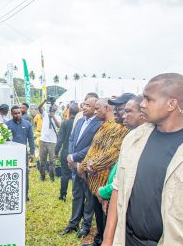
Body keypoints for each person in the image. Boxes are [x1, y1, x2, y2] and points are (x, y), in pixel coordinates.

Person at [102, 73, 183, 246]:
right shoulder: (134, 139)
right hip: (128, 239)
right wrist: (107, 240)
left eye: (149, 99)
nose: (143, 105)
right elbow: (118, 189)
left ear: (171, 104)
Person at [77, 99, 129, 246]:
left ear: (106, 108)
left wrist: (94, 165)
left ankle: (103, 241)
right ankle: (98, 240)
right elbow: (94, 149)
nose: (94, 111)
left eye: (97, 108)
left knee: (106, 217)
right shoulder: (103, 126)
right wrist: (83, 167)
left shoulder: (119, 128)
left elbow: (114, 152)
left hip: (105, 180)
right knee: (99, 215)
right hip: (94, 180)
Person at [60, 97, 102, 238]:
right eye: (84, 105)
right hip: (74, 165)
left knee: (88, 198)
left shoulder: (99, 124)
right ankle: (73, 224)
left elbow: (93, 147)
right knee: (77, 195)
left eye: (88, 106)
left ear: (96, 108)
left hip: (88, 168)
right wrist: (71, 156)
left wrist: (76, 157)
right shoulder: (79, 121)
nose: (84, 107)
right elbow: (72, 139)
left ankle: (86, 226)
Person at [97, 95, 145, 211]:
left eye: (125, 110)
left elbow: (127, 175)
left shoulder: (139, 138)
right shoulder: (132, 135)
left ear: (142, 113)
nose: (121, 114)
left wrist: (105, 191)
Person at [6, 105, 35, 202]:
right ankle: (11, 195)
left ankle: (25, 196)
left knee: (25, 174)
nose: (18, 115)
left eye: (19, 113)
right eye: (15, 113)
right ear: (11, 114)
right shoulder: (7, 125)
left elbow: (31, 138)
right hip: (10, 154)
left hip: (23, 154)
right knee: (11, 174)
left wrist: (32, 152)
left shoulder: (27, 124)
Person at [55, 104, 79, 202]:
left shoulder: (65, 123)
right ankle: (76, 196)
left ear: (69, 112)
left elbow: (60, 139)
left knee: (65, 174)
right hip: (77, 152)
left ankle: (63, 195)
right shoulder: (80, 123)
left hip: (65, 151)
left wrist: (56, 152)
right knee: (76, 175)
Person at [37, 99, 61, 181]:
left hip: (52, 142)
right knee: (42, 160)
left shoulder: (58, 117)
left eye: (55, 107)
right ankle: (42, 175)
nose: (53, 108)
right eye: (52, 107)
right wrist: (44, 101)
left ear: (56, 109)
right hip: (43, 141)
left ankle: (52, 176)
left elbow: (58, 126)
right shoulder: (44, 114)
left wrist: (53, 116)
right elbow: (39, 107)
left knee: (52, 161)